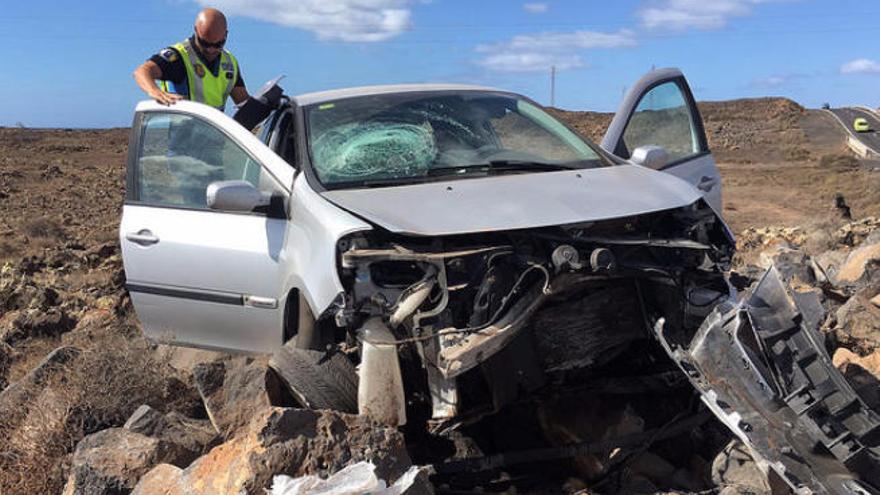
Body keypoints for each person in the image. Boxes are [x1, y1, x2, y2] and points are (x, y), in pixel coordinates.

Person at [133, 8, 249, 110]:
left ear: (226, 35)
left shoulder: (230, 63)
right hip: (180, 133)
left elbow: (244, 102)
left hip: (213, 132)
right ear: (196, 31)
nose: (210, 50)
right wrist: (154, 90)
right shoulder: (178, 56)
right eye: (205, 43)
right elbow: (142, 71)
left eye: (218, 44)